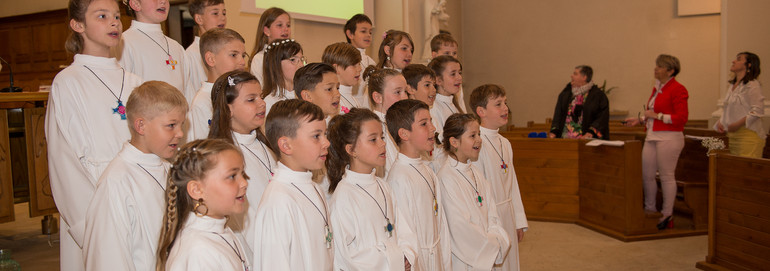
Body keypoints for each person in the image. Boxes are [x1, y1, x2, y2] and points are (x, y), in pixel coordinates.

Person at [46, 1, 144, 269]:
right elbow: (63, 160)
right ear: (78, 25)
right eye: (102, 16)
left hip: (140, 194)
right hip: (94, 203)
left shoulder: (135, 81)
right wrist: (90, 224)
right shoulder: (68, 81)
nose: (114, 22)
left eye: (115, 16)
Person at [83, 81, 187, 271]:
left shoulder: (167, 168)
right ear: (141, 126)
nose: (180, 133)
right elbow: (108, 259)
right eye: (171, 125)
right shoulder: (116, 182)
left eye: (182, 125)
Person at [327, 108, 417, 270]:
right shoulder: (344, 196)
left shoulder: (383, 186)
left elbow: (404, 229)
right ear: (351, 150)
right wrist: (394, 258)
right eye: (373, 139)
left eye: (382, 137)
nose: (383, 143)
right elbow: (345, 256)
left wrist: (407, 255)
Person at [253, 99, 334, 270]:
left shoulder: (313, 186)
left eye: (325, 135)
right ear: (286, 145)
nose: (326, 143)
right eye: (316, 136)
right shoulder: (278, 201)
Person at [156, 139, 251, 271]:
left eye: (243, 174)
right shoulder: (199, 252)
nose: (244, 183)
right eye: (231, 176)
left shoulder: (221, 230)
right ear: (197, 190)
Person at [207, 70, 273, 259]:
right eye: (251, 99)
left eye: (260, 96)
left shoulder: (262, 144)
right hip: (256, 252)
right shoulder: (224, 157)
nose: (262, 103)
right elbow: (245, 219)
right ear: (228, 109)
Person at [623, 54, 689, 230]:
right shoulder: (657, 88)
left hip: (669, 137)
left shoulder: (678, 89)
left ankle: (667, 214)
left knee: (667, 176)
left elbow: (681, 118)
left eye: (660, 66)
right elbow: (651, 114)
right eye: (656, 66)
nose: (656, 69)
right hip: (652, 135)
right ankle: (650, 209)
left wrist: (657, 116)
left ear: (670, 70)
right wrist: (640, 120)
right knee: (647, 175)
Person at [437, 113, 510, 270]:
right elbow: (459, 226)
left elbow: (492, 211)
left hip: (487, 245)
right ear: (454, 141)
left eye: (479, 134)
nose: (479, 139)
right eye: (472, 135)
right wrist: (491, 244)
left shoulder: (475, 171)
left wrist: (496, 237)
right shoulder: (446, 177)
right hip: (465, 259)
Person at [386, 99, 451, 270]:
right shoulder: (399, 178)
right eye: (424, 124)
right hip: (420, 260)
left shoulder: (426, 169)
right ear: (404, 134)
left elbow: (440, 222)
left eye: (431, 121)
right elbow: (404, 234)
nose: (433, 128)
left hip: (435, 254)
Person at [469, 84, 527, 270]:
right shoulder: (477, 143)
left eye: (505, 103)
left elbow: (513, 185)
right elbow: (479, 191)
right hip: (491, 218)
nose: (505, 108)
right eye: (498, 104)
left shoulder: (505, 143)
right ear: (481, 111)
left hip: (507, 213)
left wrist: (518, 220)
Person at [118, 0, 188, 100]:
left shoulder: (176, 47)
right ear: (135, 4)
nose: (163, 1)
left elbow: (187, 94)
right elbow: (123, 94)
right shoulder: (124, 43)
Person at [187, 28, 247, 141]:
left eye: (243, 56)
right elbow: (202, 148)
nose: (242, 62)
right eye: (234, 55)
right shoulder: (202, 103)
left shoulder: (240, 94)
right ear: (211, 59)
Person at [714, 52, 765, 158]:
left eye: (738, 59)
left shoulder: (752, 84)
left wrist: (737, 124)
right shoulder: (733, 85)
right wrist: (721, 121)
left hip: (748, 135)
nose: (733, 61)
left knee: (746, 171)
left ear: (748, 64)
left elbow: (758, 111)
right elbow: (729, 108)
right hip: (733, 135)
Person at [363, 66, 409, 177]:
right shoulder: (374, 129)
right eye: (397, 92)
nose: (405, 97)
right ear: (378, 97)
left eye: (405, 91)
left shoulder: (400, 123)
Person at [548, 65, 610, 139]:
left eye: (575, 74)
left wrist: (591, 132)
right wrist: (554, 131)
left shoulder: (598, 95)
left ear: (584, 77)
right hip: (565, 139)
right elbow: (558, 113)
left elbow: (602, 118)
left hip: (586, 140)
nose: (571, 76)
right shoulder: (566, 93)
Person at [184, 0, 226, 98]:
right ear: (199, 19)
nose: (222, 17)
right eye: (215, 13)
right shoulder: (191, 54)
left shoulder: (225, 49)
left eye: (224, 13)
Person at [261, 39, 305, 114]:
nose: (301, 65)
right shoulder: (270, 102)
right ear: (276, 65)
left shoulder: (306, 95)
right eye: (293, 60)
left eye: (301, 59)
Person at [249, 7, 290, 84]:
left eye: (288, 25)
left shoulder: (293, 56)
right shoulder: (260, 58)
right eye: (280, 25)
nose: (286, 29)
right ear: (267, 30)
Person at [428, 55, 464, 139]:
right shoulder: (434, 107)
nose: (459, 77)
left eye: (460, 73)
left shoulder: (454, 103)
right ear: (438, 80)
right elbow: (438, 144)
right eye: (453, 74)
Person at [344, 14, 375, 107]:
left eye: (370, 32)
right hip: (350, 104)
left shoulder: (371, 61)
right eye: (363, 31)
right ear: (350, 34)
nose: (368, 35)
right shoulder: (345, 58)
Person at [429, 33, 466, 113]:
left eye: (454, 53)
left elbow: (461, 104)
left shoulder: (455, 82)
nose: (451, 56)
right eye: (447, 53)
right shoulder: (434, 107)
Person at [322, 42, 363, 112]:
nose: (360, 69)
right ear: (336, 68)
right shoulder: (332, 102)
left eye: (359, 64)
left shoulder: (355, 101)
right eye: (353, 65)